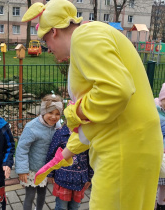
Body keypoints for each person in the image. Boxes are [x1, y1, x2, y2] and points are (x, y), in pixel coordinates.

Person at [22, 0, 163, 209]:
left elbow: (117, 90)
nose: (47, 50)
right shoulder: (92, 35)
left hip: (123, 149)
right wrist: (62, 157)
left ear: (53, 32)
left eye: (45, 43)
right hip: (132, 145)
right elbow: (102, 115)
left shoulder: (84, 37)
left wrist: (75, 112)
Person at [15, 93, 63, 210]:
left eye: (57, 114)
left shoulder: (57, 127)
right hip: (32, 169)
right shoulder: (32, 128)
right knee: (30, 195)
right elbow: (22, 148)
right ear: (43, 112)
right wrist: (22, 170)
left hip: (46, 168)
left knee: (42, 193)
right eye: (50, 112)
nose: (53, 117)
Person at [46, 124, 93, 210]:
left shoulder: (88, 133)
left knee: (75, 206)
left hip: (80, 180)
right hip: (63, 178)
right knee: (61, 207)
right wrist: (50, 173)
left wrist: (90, 177)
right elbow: (52, 154)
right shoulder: (61, 133)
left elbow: (91, 158)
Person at [155, 83, 165, 210]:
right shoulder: (155, 111)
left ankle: (161, 205)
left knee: (163, 187)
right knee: (153, 183)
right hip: (157, 153)